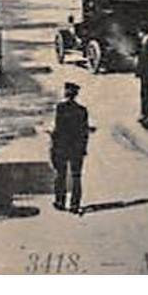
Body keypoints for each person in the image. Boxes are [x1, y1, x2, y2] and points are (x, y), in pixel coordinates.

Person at [51, 81, 89, 214]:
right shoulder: (82, 111)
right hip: (77, 148)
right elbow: (85, 132)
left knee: (60, 175)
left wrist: (53, 145)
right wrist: (83, 148)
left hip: (62, 147)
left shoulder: (60, 108)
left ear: (66, 93)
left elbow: (58, 129)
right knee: (76, 176)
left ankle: (60, 201)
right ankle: (75, 204)